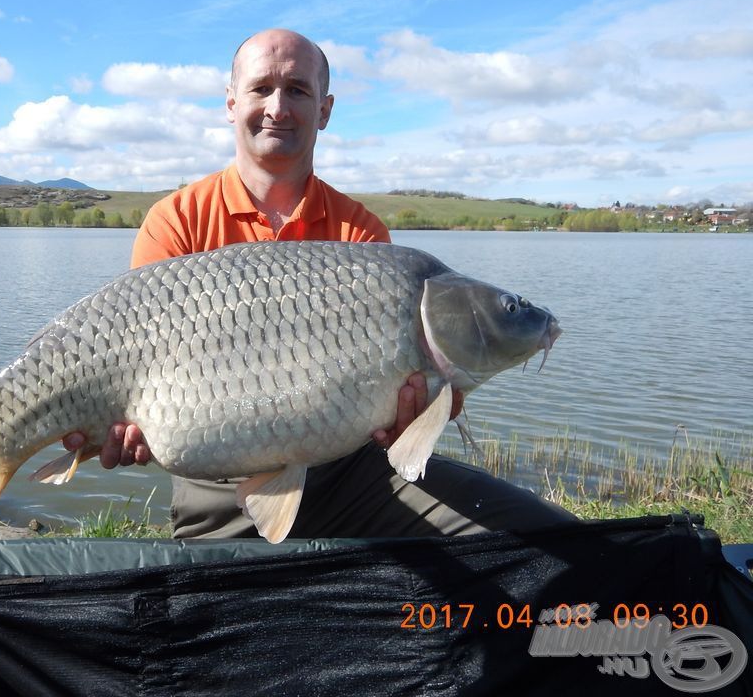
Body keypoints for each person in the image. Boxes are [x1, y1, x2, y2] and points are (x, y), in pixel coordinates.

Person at [62, 28, 574, 539]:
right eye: (261, 88)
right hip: (214, 479)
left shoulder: (363, 235)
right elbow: (132, 365)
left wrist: (409, 416)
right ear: (231, 103)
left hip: (349, 470)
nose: (278, 107)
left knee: (534, 536)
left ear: (325, 110)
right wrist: (121, 431)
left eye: (298, 90)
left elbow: (409, 422)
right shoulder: (177, 221)